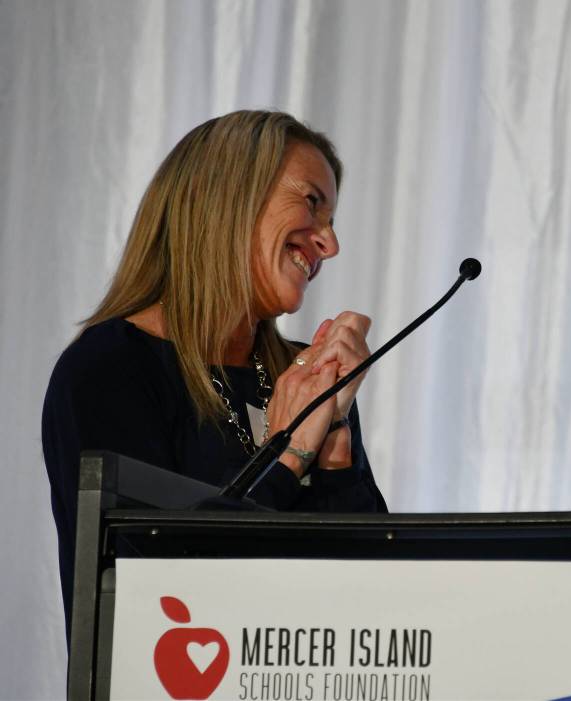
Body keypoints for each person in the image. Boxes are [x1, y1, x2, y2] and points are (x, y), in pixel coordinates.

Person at [42, 110, 387, 637]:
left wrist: (336, 439)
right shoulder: (107, 369)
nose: (330, 245)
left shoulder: (301, 375)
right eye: (311, 204)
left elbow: (374, 593)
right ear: (226, 197)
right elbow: (165, 593)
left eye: (333, 222)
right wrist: (289, 454)